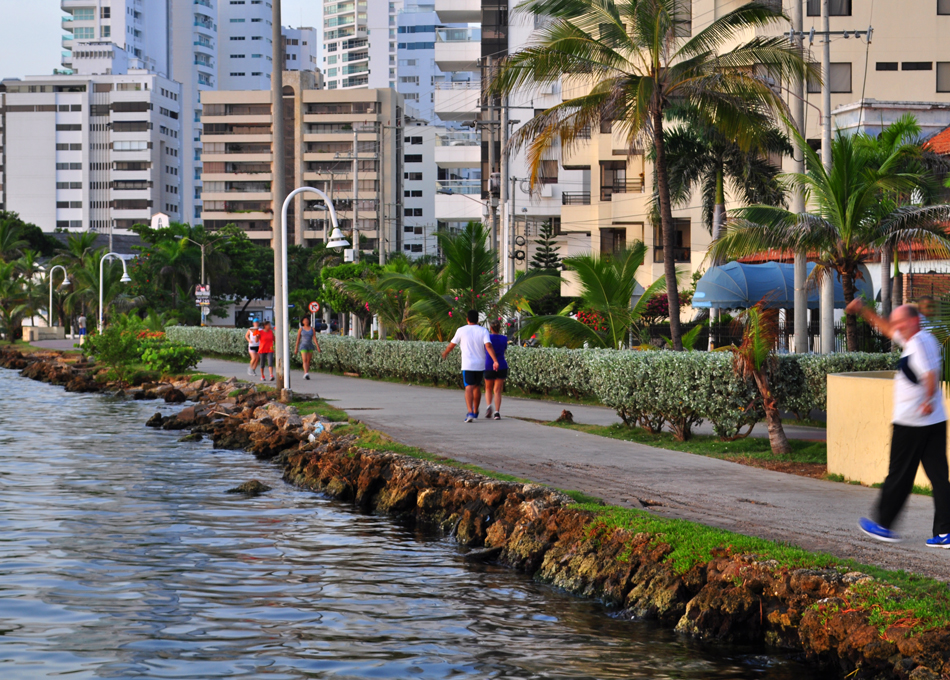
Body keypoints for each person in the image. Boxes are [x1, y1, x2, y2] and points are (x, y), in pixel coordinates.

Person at [846, 299, 950, 547]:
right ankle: (946, 532)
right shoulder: (918, 339)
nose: (896, 327)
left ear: (913, 321)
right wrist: (864, 310)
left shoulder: (918, 344)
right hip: (933, 421)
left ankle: (883, 525)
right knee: (938, 476)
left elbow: (930, 375)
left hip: (913, 422)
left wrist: (926, 400)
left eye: (900, 322)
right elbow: (886, 328)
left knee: (899, 475)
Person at [441, 310, 499, 423]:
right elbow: (488, 346)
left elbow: (452, 345)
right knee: (477, 387)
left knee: (468, 387)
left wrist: (445, 353)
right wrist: (495, 360)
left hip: (467, 364)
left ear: (467, 319)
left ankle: (470, 412)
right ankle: (476, 410)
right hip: (480, 364)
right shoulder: (483, 331)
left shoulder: (461, 330)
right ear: (478, 320)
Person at [484, 319, 508, 421]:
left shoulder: (487, 337)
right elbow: (504, 349)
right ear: (500, 328)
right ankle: (497, 413)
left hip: (489, 364)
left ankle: (489, 406)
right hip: (502, 365)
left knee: (488, 388)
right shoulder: (504, 338)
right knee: (497, 390)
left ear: (490, 328)